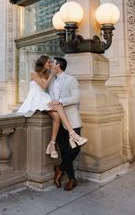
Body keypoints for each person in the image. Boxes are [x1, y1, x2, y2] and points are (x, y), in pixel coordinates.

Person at [17, 55, 87, 159]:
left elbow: (74, 97)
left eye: (51, 62)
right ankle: (72, 134)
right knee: (58, 107)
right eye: (48, 62)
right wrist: (52, 74)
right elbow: (44, 86)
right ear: (43, 63)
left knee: (56, 116)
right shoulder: (34, 73)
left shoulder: (50, 75)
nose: (50, 64)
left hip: (45, 98)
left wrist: (52, 75)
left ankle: (52, 144)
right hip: (36, 98)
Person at [48, 56, 85, 191]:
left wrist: (61, 101)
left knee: (76, 148)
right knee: (64, 151)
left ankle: (60, 169)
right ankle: (72, 179)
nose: (51, 65)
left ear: (59, 65)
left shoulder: (71, 79)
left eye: (53, 63)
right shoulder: (51, 80)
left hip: (71, 119)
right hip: (58, 121)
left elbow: (76, 98)